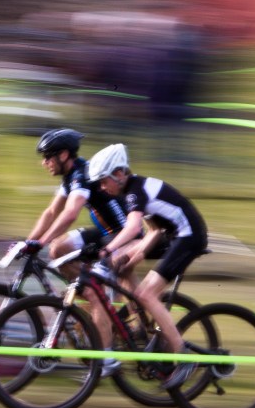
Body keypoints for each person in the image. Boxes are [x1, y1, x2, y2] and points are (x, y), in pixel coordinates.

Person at [86, 143, 208, 389]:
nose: (101, 187)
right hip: (176, 235)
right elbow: (154, 229)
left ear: (119, 174)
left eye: (103, 181)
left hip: (189, 237)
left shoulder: (134, 191)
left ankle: (183, 358)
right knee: (122, 268)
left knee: (145, 293)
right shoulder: (133, 190)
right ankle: (143, 326)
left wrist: (109, 249)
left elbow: (132, 229)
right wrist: (136, 255)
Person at [23, 128, 133, 376]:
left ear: (63, 155)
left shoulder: (81, 175)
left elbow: (70, 213)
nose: (44, 163)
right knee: (58, 249)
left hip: (122, 236)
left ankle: (106, 356)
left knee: (92, 290)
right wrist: (29, 242)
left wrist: (39, 242)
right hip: (104, 231)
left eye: (48, 157)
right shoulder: (70, 175)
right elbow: (51, 212)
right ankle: (89, 293)